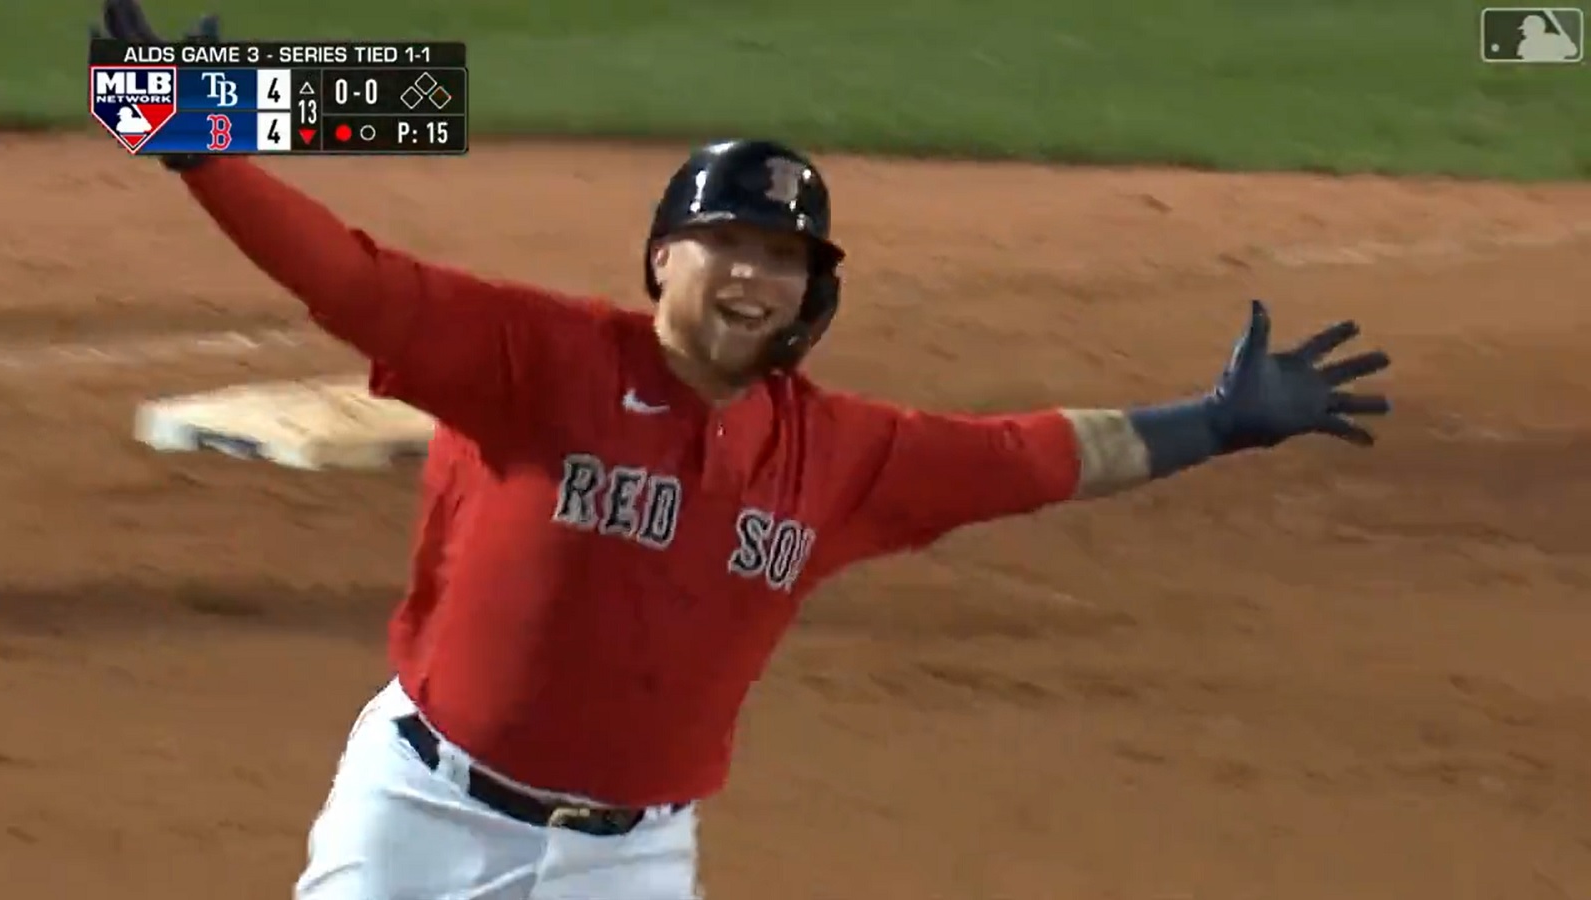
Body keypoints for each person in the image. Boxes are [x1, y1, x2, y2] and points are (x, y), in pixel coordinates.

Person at [95, 3, 1392, 897]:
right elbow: (353, 281)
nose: (756, 277)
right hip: (423, 819)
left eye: (785, 259)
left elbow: (1032, 456)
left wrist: (1212, 423)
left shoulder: (842, 454)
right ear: (666, 256)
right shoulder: (537, 360)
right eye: (731, 245)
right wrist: (201, 154)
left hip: (632, 862)